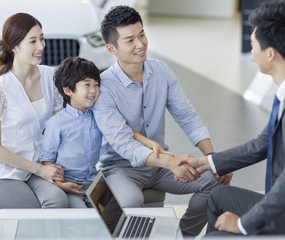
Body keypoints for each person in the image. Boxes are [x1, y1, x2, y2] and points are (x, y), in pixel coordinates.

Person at [178, 0, 285, 236]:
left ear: (270, 54)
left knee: (217, 235)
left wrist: (242, 224)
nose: (252, 51)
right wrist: (206, 163)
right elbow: (262, 144)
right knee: (218, 195)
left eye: (254, 46)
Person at [92, 5, 233, 236]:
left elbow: (187, 116)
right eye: (130, 40)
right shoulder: (104, 87)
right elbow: (123, 143)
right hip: (121, 168)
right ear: (111, 48)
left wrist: (211, 158)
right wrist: (170, 162)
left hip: (161, 165)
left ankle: (183, 235)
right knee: (130, 202)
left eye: (142, 34)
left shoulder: (161, 72)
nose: (140, 44)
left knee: (213, 182)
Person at [40, 56, 172, 208]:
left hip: (94, 181)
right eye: (87, 85)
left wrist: (150, 143)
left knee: (116, 210)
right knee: (84, 215)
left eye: (96, 85)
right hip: (68, 183)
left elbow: (123, 131)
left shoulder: (98, 115)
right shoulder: (56, 123)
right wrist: (60, 185)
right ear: (68, 90)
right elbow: (47, 160)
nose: (93, 91)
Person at [0, 13, 68, 208]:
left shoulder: (51, 76)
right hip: (2, 174)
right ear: (14, 47)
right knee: (33, 212)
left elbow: (57, 130)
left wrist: (54, 169)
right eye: (33, 41)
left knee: (58, 201)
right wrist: (40, 170)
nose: (41, 46)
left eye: (42, 38)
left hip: (36, 168)